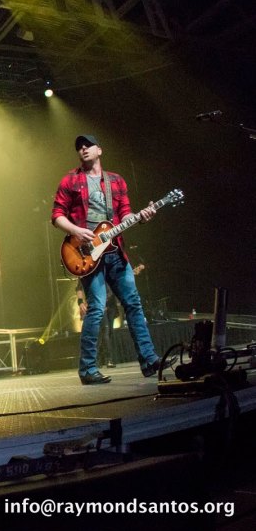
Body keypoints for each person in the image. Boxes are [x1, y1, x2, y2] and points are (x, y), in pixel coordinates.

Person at [52, 134, 161, 385]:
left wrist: (141, 217)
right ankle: (88, 369)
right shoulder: (70, 180)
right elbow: (57, 214)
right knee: (97, 308)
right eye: (79, 147)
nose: (83, 149)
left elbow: (125, 214)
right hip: (86, 253)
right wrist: (76, 231)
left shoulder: (116, 181)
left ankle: (149, 360)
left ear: (99, 150)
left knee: (133, 304)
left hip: (115, 252)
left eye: (88, 145)